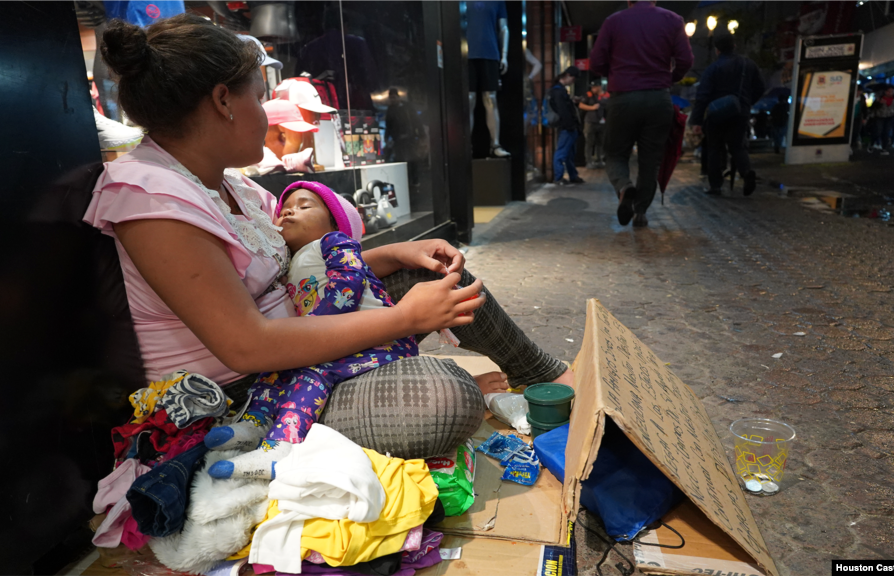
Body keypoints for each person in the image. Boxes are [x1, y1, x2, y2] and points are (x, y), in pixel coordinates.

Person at [85, 14, 572, 462]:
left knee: (439, 274)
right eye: (258, 96)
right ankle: (402, 379)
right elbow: (247, 348)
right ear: (221, 101)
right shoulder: (152, 198)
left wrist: (392, 254)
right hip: (245, 396)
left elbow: (304, 272)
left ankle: (541, 373)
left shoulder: (232, 184)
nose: (266, 111)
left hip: (302, 335)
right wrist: (405, 317)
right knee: (447, 397)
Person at [206, 182, 432, 479]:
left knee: (314, 373)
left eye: (304, 206)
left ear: (333, 222)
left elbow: (349, 283)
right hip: (333, 337)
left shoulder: (334, 242)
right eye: (285, 208)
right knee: (273, 369)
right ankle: (255, 421)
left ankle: (281, 445)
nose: (289, 210)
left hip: (380, 341)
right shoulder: (288, 265)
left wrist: (311, 328)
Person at [590, 0, 693, 228]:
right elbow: (686, 60)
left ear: (629, 0)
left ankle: (624, 188)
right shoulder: (673, 20)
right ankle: (641, 212)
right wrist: (669, 78)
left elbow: (596, 61)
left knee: (615, 154)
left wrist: (617, 73)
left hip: (623, 97)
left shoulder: (614, 21)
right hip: (658, 98)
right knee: (650, 161)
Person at [690, 32, 765, 196]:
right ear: (734, 46)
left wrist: (697, 121)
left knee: (714, 148)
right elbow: (760, 87)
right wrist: (746, 103)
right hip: (739, 113)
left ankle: (716, 185)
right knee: (738, 146)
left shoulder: (713, 68)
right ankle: (746, 173)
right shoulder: (748, 64)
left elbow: (702, 96)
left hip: (717, 114)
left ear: (717, 50)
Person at [548, 66, 584, 186]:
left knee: (567, 152)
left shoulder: (557, 90)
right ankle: (559, 177)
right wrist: (571, 125)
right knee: (563, 152)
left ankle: (569, 176)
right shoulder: (559, 92)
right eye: (573, 79)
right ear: (568, 76)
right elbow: (564, 111)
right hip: (567, 127)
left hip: (566, 127)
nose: (573, 82)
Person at [579, 80, 607, 168]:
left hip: (602, 122)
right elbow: (581, 105)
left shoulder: (606, 96)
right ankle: (589, 161)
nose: (593, 89)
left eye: (595, 87)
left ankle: (599, 159)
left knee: (601, 142)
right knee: (589, 142)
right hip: (590, 122)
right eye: (592, 87)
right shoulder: (588, 95)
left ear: (600, 87)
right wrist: (592, 108)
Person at [871, 87, 894, 155]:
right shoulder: (880, 98)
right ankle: (873, 143)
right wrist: (879, 103)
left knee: (886, 132)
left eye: (892, 91)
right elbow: (873, 107)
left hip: (889, 117)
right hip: (880, 117)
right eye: (889, 91)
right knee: (878, 131)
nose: (890, 93)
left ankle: (884, 148)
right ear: (885, 92)